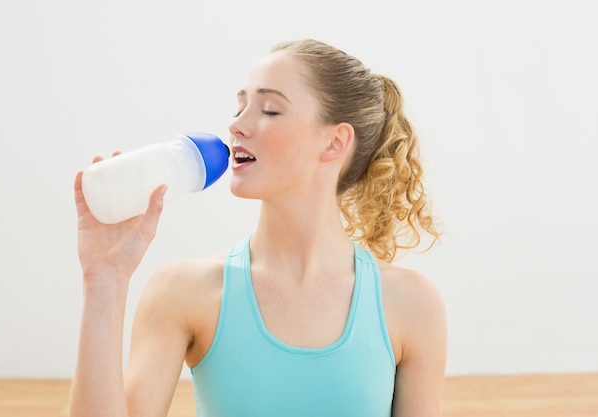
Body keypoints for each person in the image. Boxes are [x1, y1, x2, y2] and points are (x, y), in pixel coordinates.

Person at [69, 39, 447, 417]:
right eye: (240, 107)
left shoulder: (411, 305)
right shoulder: (184, 292)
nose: (236, 125)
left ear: (334, 142)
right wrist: (104, 277)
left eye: (269, 110)